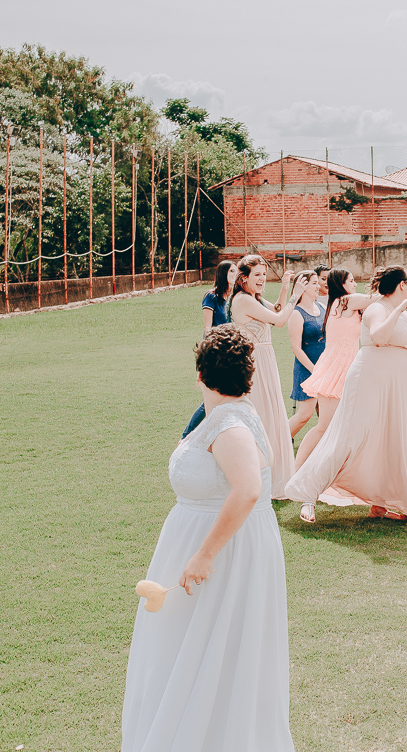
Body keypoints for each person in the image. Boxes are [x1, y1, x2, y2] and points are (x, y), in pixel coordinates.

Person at [122, 325, 293, 752]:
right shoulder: (221, 416)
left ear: (199, 374)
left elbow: (249, 489)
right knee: (192, 647)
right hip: (214, 543)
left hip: (222, 553)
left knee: (216, 647)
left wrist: (204, 554)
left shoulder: (230, 424)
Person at [284, 266, 407, 525]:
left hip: (395, 386)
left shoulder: (406, 316)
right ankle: (309, 496)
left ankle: (380, 504)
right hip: (368, 380)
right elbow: (377, 337)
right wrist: (398, 310)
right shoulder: (377, 309)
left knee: (388, 441)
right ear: (401, 286)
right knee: (348, 438)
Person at [230, 255, 307, 498]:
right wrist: (296, 294)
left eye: (264, 274)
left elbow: (274, 310)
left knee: (272, 416)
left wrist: (284, 288)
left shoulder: (254, 298)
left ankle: (274, 475)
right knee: (262, 417)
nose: (262, 279)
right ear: (244, 278)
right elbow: (280, 320)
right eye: (257, 275)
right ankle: (258, 477)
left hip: (266, 361)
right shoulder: (243, 300)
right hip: (254, 365)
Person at [293, 268, 375, 469]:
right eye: (352, 280)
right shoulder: (344, 301)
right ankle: (296, 469)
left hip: (349, 367)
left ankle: (343, 468)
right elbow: (376, 298)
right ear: (342, 283)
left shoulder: (342, 304)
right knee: (324, 426)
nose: (355, 284)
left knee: (350, 424)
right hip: (337, 368)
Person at [183, 261, 238, 438]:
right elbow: (208, 329)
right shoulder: (212, 297)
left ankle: (222, 432)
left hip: (233, 351)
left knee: (229, 395)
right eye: (231, 271)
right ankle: (186, 435)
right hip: (216, 351)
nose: (235, 275)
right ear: (223, 274)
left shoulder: (235, 297)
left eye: (236, 272)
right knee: (213, 397)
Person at [287, 272, 326, 438]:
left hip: (326, 368)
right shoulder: (297, 313)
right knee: (304, 415)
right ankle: (276, 445)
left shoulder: (322, 307)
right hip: (307, 370)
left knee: (328, 414)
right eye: (314, 283)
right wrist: (314, 370)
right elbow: (296, 348)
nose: (319, 286)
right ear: (303, 286)